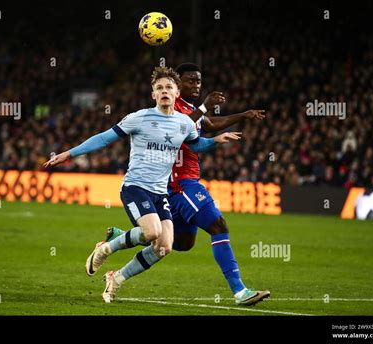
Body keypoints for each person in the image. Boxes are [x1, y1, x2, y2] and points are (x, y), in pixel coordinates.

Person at [43, 66, 241, 303]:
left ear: (177, 93)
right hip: (135, 188)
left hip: (161, 193)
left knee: (164, 247)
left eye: (169, 87)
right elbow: (104, 138)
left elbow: (196, 146)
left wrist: (216, 141)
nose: (164, 91)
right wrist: (69, 153)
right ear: (153, 95)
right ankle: (105, 249)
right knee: (152, 232)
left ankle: (116, 278)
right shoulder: (139, 118)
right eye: (159, 88)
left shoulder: (185, 124)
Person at [108, 63, 269, 305]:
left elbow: (209, 125)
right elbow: (181, 126)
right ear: (177, 84)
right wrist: (205, 107)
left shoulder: (190, 109)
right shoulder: (171, 109)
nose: (196, 85)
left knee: (181, 244)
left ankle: (123, 245)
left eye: (198, 81)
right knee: (218, 225)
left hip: (180, 184)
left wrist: (242, 115)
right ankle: (240, 291)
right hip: (179, 183)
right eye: (190, 81)